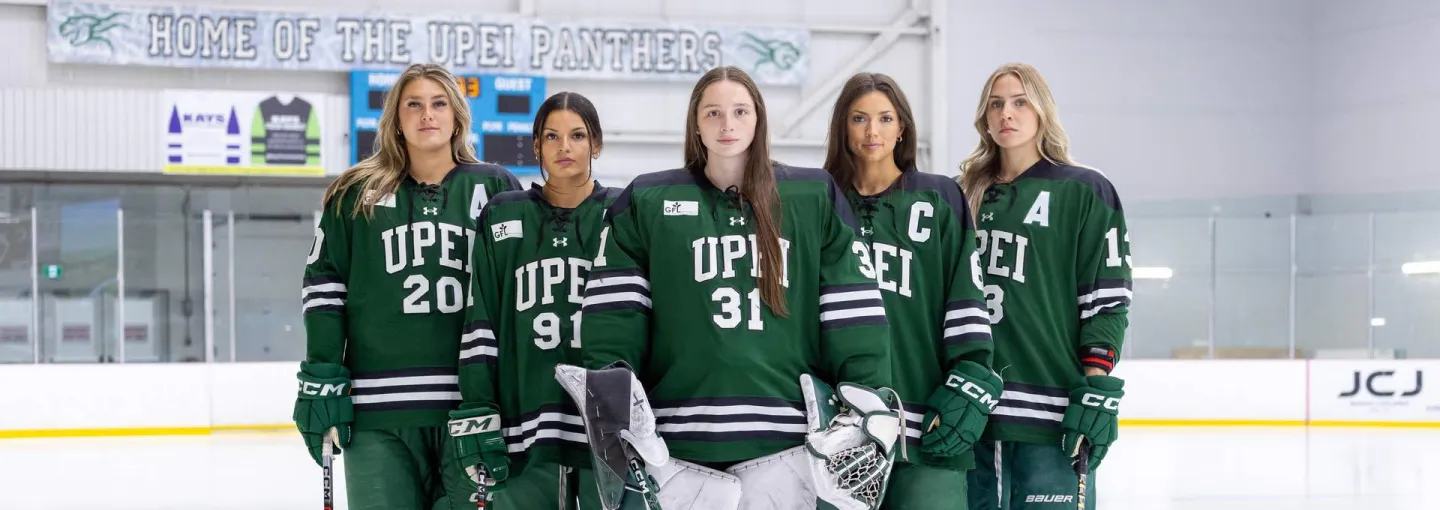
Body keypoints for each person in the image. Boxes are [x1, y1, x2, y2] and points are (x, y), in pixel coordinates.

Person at [574, 66, 897, 509]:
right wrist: (616, 396)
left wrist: (866, 397)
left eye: (740, 111)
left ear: (758, 119)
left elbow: (851, 312)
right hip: (677, 446)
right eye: (714, 113)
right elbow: (614, 320)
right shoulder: (646, 200)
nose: (727, 125)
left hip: (787, 443)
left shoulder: (811, 196)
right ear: (696, 123)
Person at [294, 62, 522, 510]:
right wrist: (323, 373)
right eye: (412, 105)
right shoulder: (355, 192)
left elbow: (517, 295)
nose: (427, 115)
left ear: (457, 115)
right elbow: (324, 288)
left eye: (438, 103)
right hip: (379, 408)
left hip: (473, 407)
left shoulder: (496, 189)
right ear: (396, 119)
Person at [956, 62, 1131, 509]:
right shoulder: (958, 195)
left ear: (1041, 111)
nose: (1005, 114)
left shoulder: (1084, 190)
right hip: (970, 411)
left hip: (1051, 411)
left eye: (1019, 102)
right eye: (995, 104)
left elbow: (1106, 298)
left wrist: (1096, 383)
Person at [821, 72, 999, 510]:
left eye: (885, 118)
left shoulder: (940, 198)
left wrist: (970, 377)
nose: (872, 131)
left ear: (902, 127)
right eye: (859, 118)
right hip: (841, 427)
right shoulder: (817, 201)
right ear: (843, 126)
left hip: (926, 423)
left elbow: (965, 296)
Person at [449, 91, 618, 509]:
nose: (564, 147)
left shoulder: (624, 212)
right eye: (551, 136)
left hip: (605, 426)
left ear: (596, 144)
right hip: (524, 424)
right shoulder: (503, 215)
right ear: (536, 144)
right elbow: (481, 319)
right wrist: (477, 406)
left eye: (577, 135)